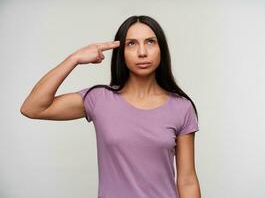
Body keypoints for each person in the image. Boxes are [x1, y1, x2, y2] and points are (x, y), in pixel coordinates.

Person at [20, 15, 201, 198]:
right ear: (121, 52)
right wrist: (74, 59)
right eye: (131, 44)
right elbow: (32, 108)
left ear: (161, 48)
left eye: (150, 42)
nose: (142, 52)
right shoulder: (99, 99)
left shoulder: (181, 108)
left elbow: (187, 180)